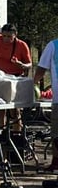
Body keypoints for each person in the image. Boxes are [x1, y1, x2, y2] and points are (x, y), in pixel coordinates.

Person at [33, 35, 58, 173]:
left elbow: (41, 69)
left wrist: (32, 84)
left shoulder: (53, 45)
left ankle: (56, 162)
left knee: (56, 133)